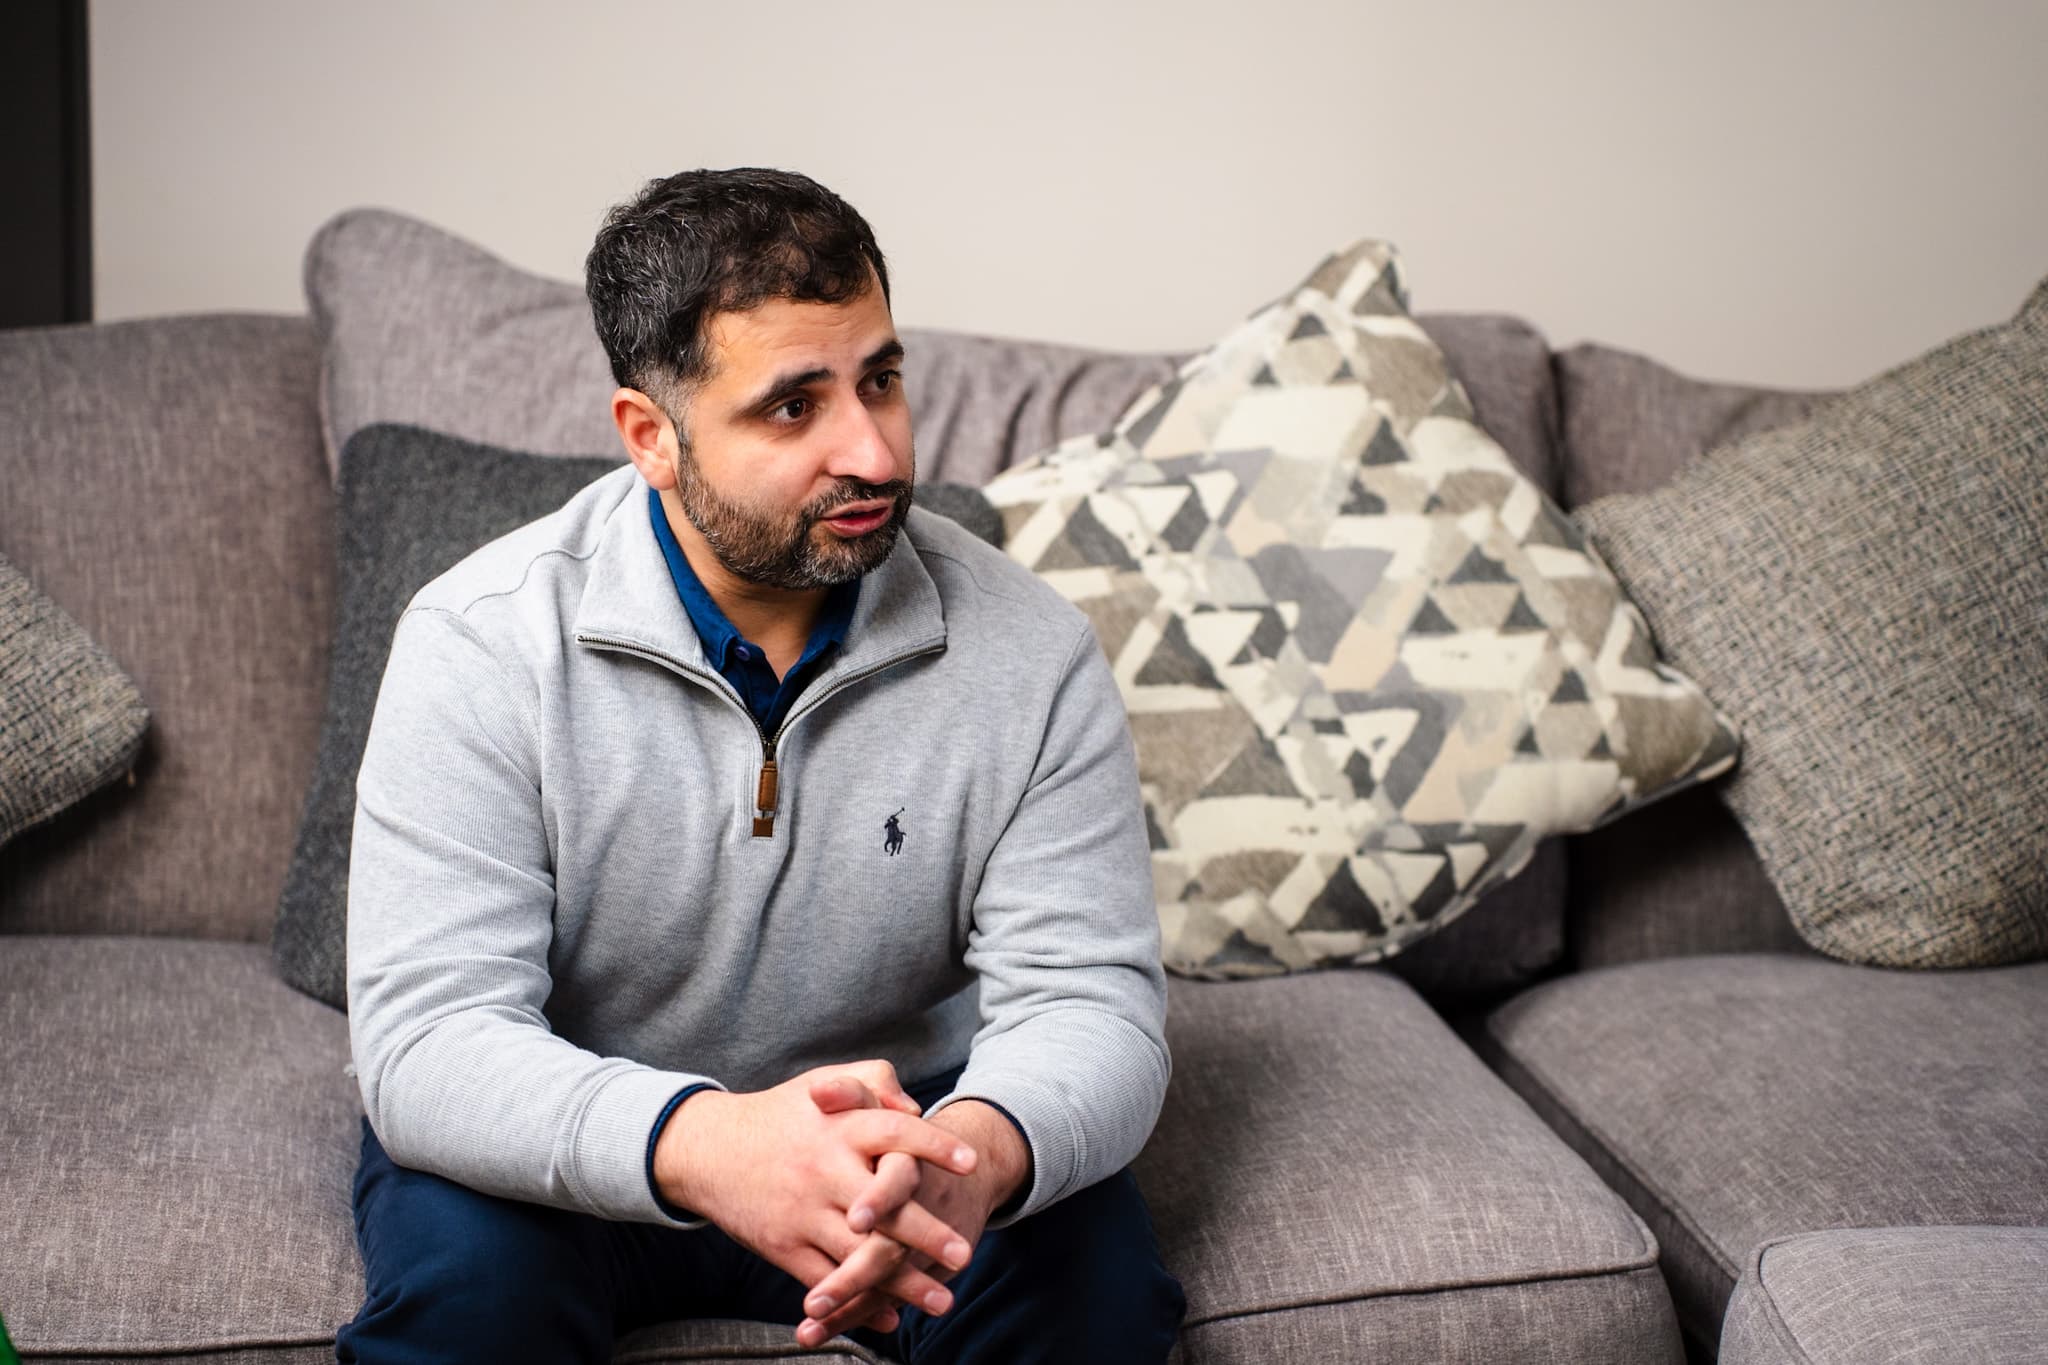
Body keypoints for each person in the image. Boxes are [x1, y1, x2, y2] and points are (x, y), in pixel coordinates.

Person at [338, 167, 1186, 1363]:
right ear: (652, 436)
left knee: (1093, 1306)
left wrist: (979, 1151)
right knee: (467, 1312)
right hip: (572, 1129)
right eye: (794, 407)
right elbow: (430, 1041)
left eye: (879, 380)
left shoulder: (1032, 653)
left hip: (906, 1140)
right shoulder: (479, 643)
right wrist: (706, 1142)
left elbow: (1089, 1006)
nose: (875, 453)